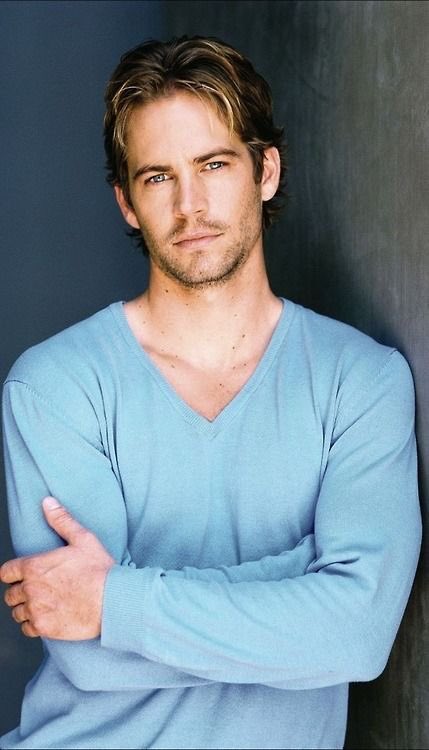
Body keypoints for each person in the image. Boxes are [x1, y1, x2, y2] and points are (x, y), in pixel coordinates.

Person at [0, 35, 421, 750]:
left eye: (214, 165)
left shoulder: (362, 381)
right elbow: (92, 654)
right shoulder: (54, 386)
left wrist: (117, 600)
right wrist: (305, 580)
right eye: (157, 177)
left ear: (266, 170)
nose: (189, 205)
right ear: (126, 202)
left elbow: (356, 635)